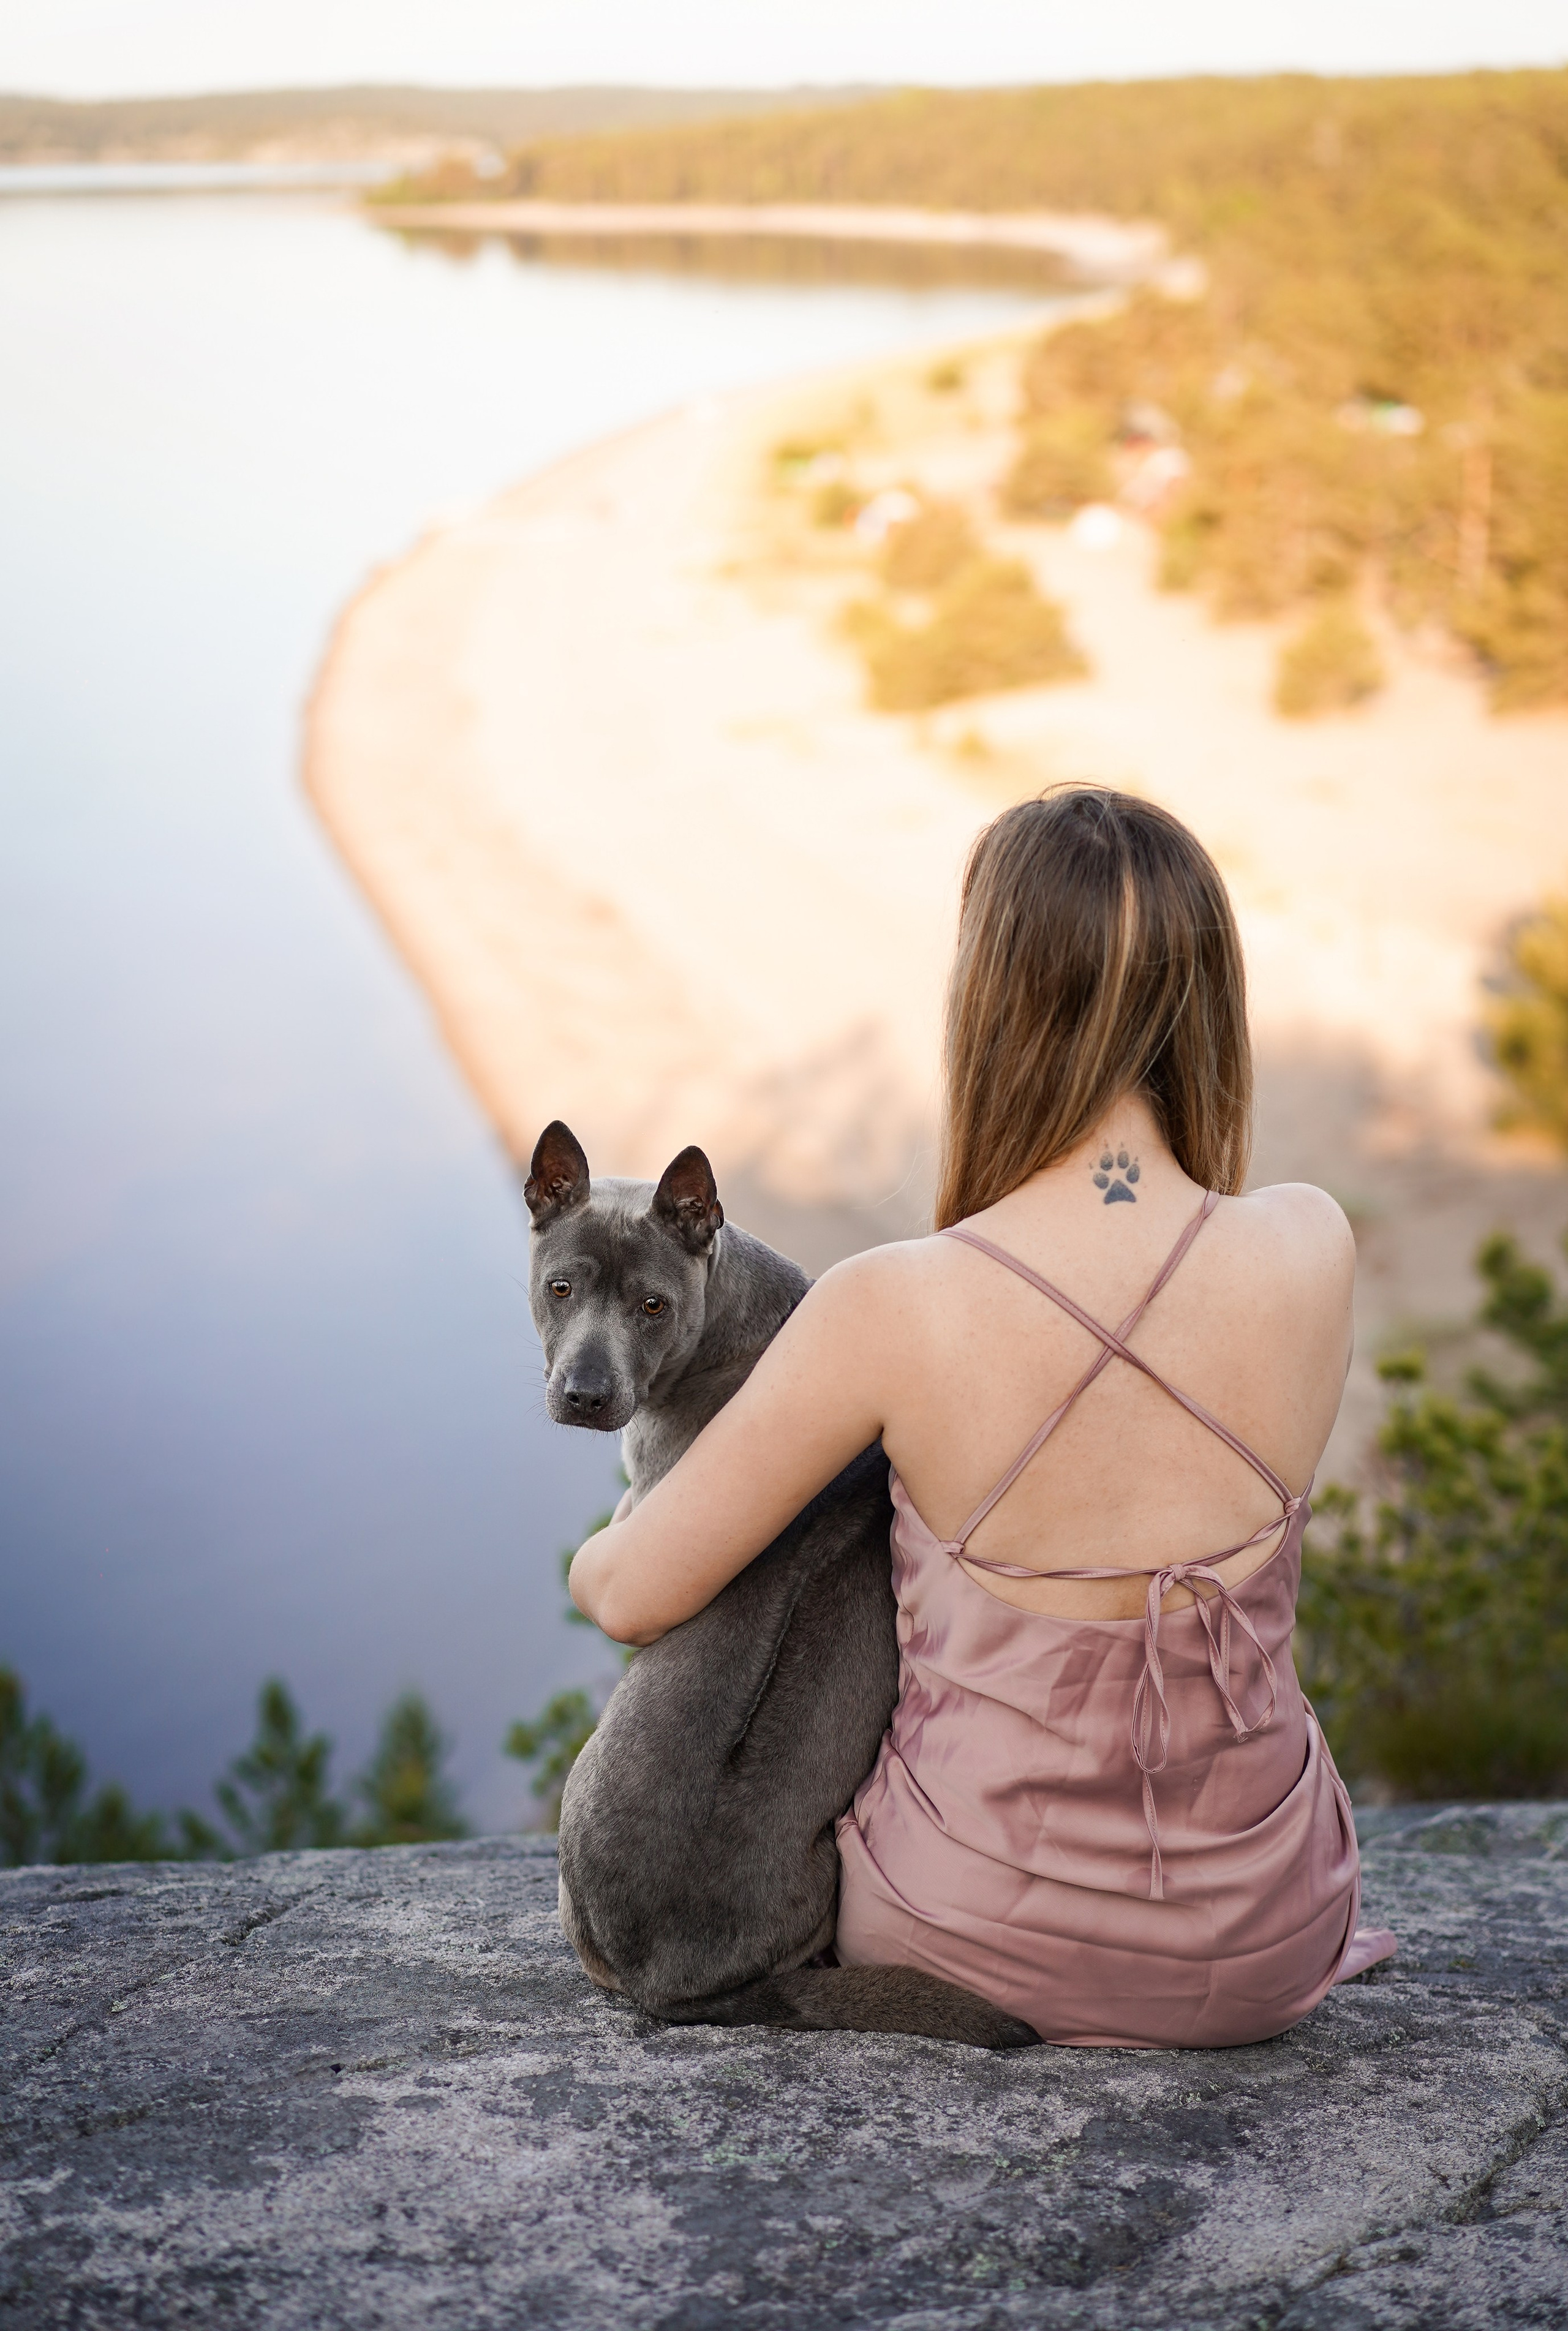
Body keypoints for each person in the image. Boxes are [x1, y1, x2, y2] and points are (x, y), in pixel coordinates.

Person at [569, 786, 1396, 2048]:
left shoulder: (894, 1306)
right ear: (1209, 1000)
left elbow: (627, 1593)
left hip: (975, 1946)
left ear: (989, 1002)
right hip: (1268, 1935)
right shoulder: (1307, 1243)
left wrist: (608, 1528)